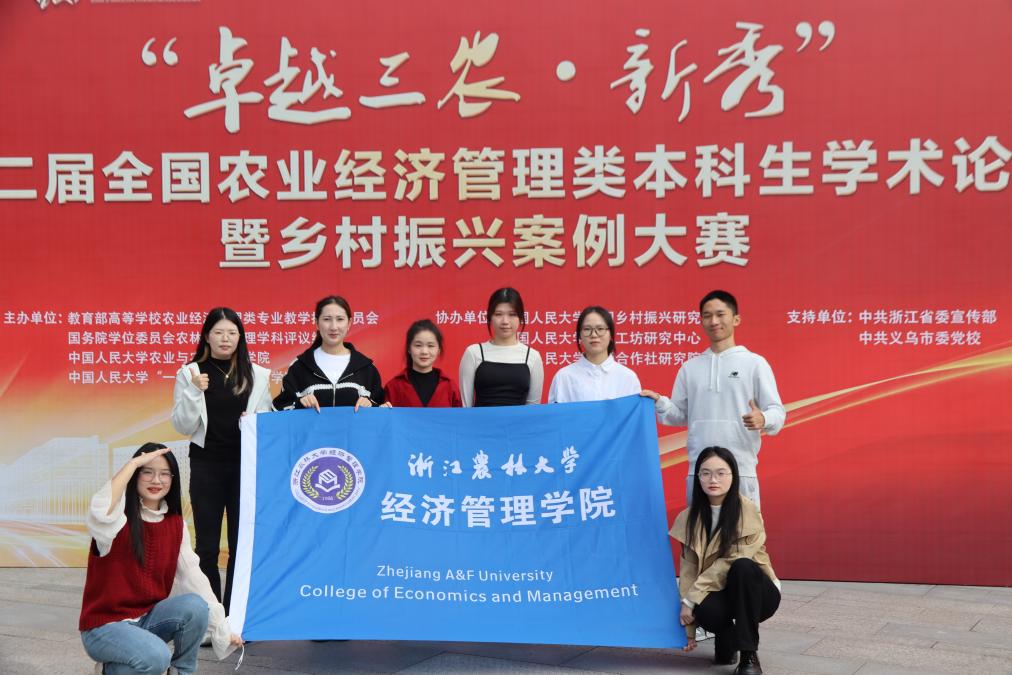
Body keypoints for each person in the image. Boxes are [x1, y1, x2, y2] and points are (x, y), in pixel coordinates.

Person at [79, 443, 242, 674]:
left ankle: (181, 672)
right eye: (147, 472)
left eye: (165, 474)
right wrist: (133, 463)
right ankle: (110, 670)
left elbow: (193, 576)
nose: (156, 480)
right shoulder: (116, 520)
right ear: (135, 476)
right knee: (157, 657)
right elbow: (100, 510)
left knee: (196, 606)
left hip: (147, 620)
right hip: (104, 627)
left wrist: (222, 628)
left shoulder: (175, 524)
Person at [641, 290, 785, 507]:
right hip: (700, 471)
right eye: (707, 316)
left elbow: (777, 412)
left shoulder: (755, 363)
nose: (714, 321)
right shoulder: (690, 368)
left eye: (720, 314)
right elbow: (679, 415)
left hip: (741, 469)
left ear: (736, 319)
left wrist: (764, 418)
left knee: (743, 529)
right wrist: (659, 402)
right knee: (698, 529)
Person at [171, 307, 272, 614]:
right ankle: (212, 613)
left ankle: (236, 613)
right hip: (206, 466)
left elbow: (268, 419)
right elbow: (183, 425)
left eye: (231, 332)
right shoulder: (190, 373)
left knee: (241, 545)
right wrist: (193, 391)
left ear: (240, 337)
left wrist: (254, 419)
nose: (225, 338)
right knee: (207, 546)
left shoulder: (258, 374)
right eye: (218, 332)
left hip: (245, 468)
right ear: (206, 336)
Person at [671, 446, 780, 675]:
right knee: (703, 609)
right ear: (698, 477)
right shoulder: (688, 518)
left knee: (742, 567)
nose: (713, 479)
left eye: (721, 473)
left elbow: (732, 561)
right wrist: (689, 628)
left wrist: (691, 598)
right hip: (719, 591)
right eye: (706, 473)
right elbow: (689, 570)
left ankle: (749, 656)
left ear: (733, 476)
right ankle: (727, 637)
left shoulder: (748, 511)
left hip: (757, 592)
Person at [273, 295, 384, 412]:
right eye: (327, 319)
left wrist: (370, 404)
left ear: (349, 323)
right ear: (317, 323)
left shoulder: (367, 368)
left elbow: (382, 411)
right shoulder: (299, 367)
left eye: (340, 319)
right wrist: (299, 403)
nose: (333, 327)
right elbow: (278, 410)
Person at [459, 287, 544, 407]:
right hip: (480, 420)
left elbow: (532, 408)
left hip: (520, 420)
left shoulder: (532, 356)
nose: (505, 321)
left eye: (512, 314)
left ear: (521, 318)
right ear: (489, 317)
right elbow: (466, 406)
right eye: (498, 314)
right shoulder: (473, 353)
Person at [548, 305, 640, 403]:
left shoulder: (628, 377)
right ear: (580, 336)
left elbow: (636, 411)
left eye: (600, 329)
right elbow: (556, 412)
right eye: (587, 329)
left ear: (611, 335)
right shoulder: (564, 377)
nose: (594, 335)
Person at [383, 319, 462, 407]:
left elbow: (459, 415)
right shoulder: (393, 387)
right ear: (409, 348)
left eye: (430, 346)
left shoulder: (450, 387)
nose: (424, 351)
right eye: (418, 345)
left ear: (438, 350)